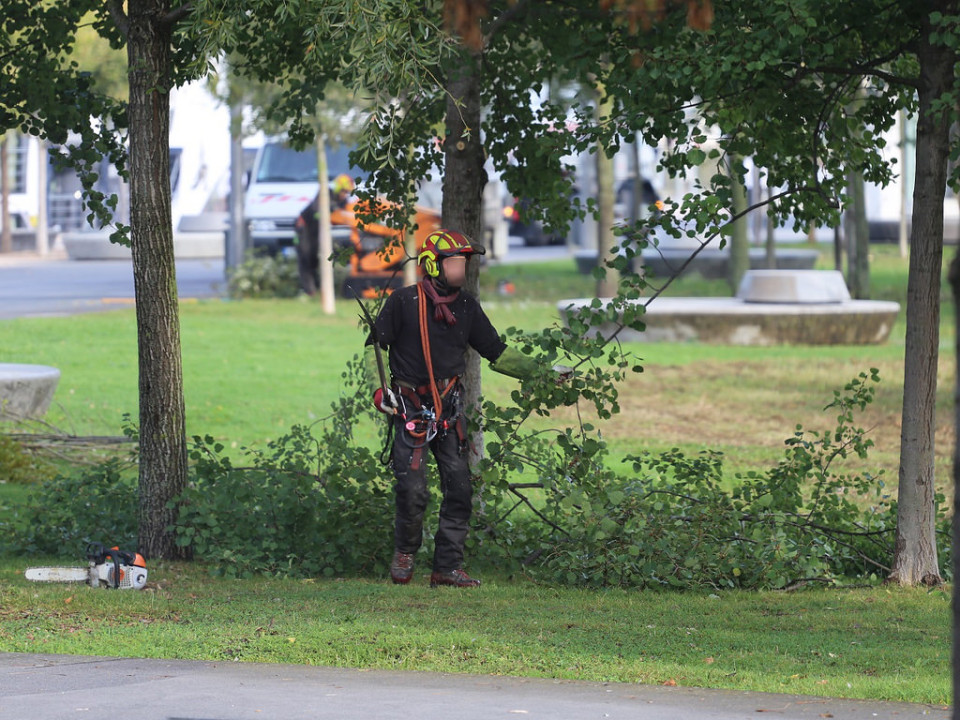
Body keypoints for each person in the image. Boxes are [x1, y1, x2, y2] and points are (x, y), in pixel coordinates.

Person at [364, 229, 542, 588]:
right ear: (433, 265)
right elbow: (375, 348)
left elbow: (497, 351)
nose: (460, 270)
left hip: (448, 414)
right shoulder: (403, 302)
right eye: (454, 263)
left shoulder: (466, 307)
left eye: (463, 263)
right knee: (413, 491)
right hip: (411, 411)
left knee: (460, 488)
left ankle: (446, 567)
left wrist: (542, 373)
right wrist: (379, 391)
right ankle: (405, 553)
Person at [294, 174, 356, 295]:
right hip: (304, 228)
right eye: (344, 191)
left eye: (347, 192)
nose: (345, 194)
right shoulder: (325, 194)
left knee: (316, 260)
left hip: (319, 231)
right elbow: (316, 211)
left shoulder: (344, 202)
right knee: (306, 258)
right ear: (338, 188)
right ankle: (310, 291)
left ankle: (318, 289)